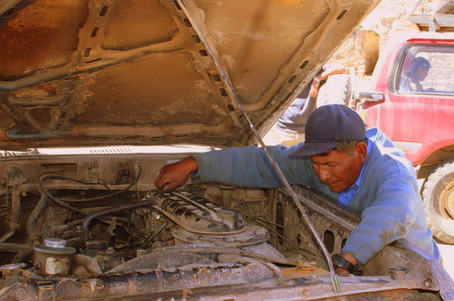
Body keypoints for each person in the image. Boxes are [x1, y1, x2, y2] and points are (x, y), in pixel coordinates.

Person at [156, 104, 439, 276]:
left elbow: (394, 212)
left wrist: (347, 261)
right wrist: (195, 164)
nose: (321, 174)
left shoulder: (393, 170)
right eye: (315, 163)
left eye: (330, 164)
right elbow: (262, 163)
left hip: (415, 274)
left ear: (361, 152)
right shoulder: (316, 164)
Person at [263, 65, 347, 147]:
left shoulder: (314, 71)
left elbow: (341, 68)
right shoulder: (285, 72)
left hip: (305, 132)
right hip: (283, 131)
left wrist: (318, 78)